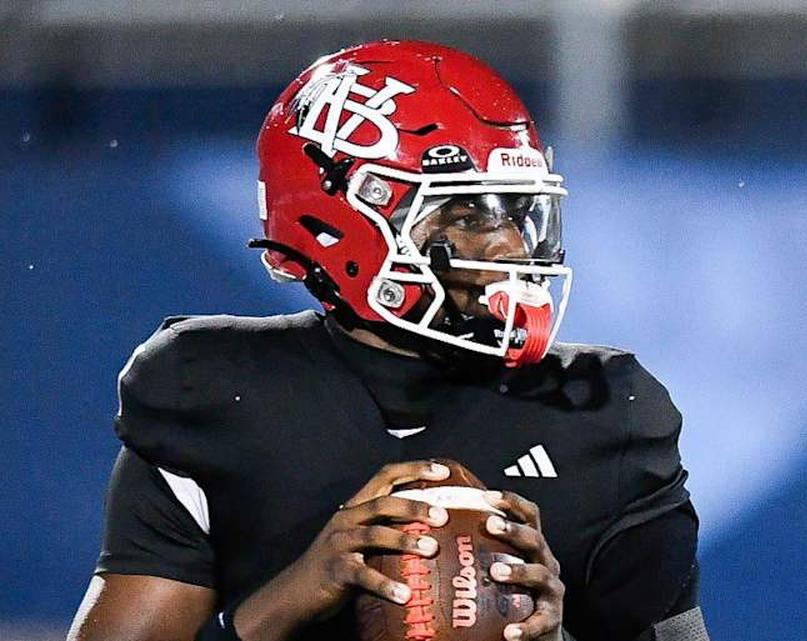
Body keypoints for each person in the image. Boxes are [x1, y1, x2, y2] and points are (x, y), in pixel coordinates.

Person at [67, 40, 706, 641]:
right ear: (343, 222)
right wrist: (287, 601)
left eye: (515, 211)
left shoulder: (603, 411)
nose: (510, 244)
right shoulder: (212, 392)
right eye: (464, 215)